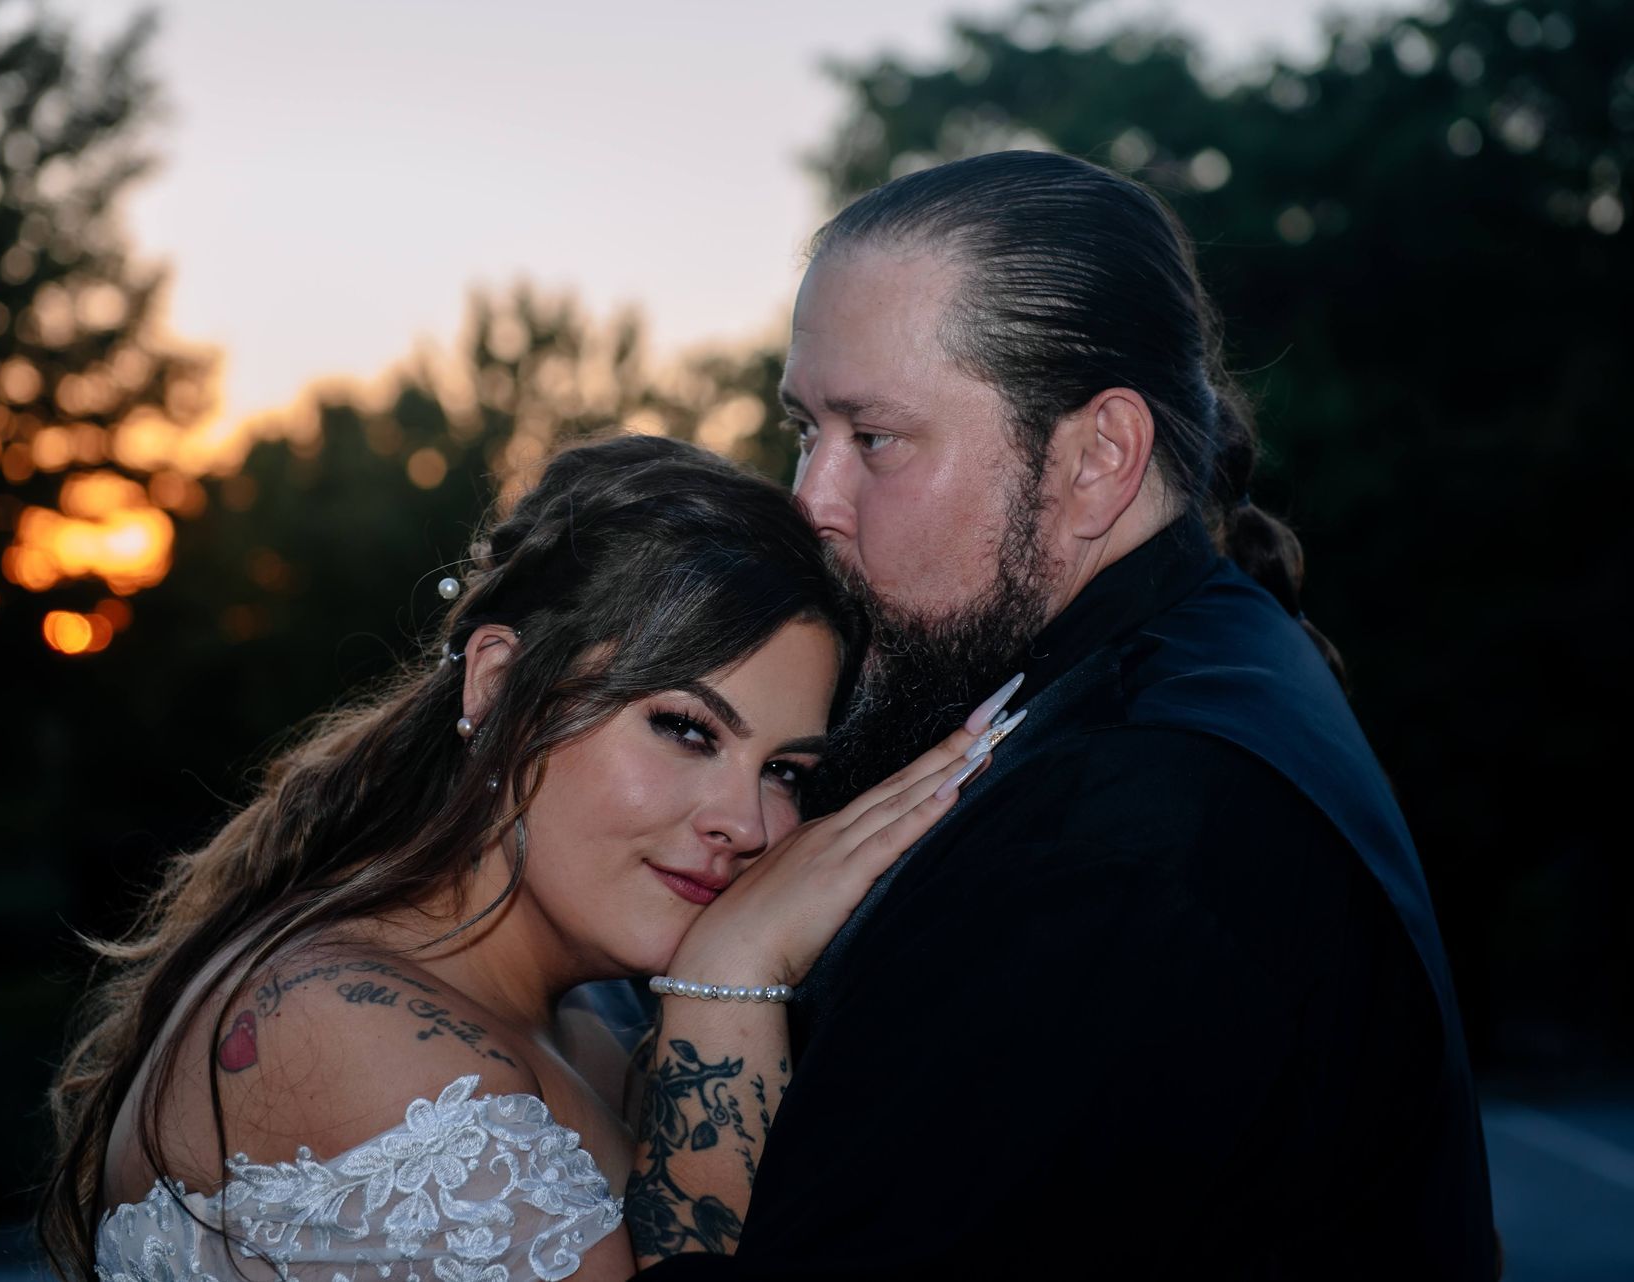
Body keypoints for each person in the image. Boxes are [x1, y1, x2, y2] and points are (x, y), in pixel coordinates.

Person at [630, 151, 1497, 1279]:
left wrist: (726, 977)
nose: (813, 504)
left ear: (1097, 460)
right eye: (807, 431)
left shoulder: (1124, 826)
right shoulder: (1178, 673)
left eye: (874, 438)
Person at [38, 434, 1000, 1282]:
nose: (746, 824)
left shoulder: (588, 1016)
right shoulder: (338, 1031)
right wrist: (726, 990)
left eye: (785, 770)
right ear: (500, 684)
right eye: (686, 729)